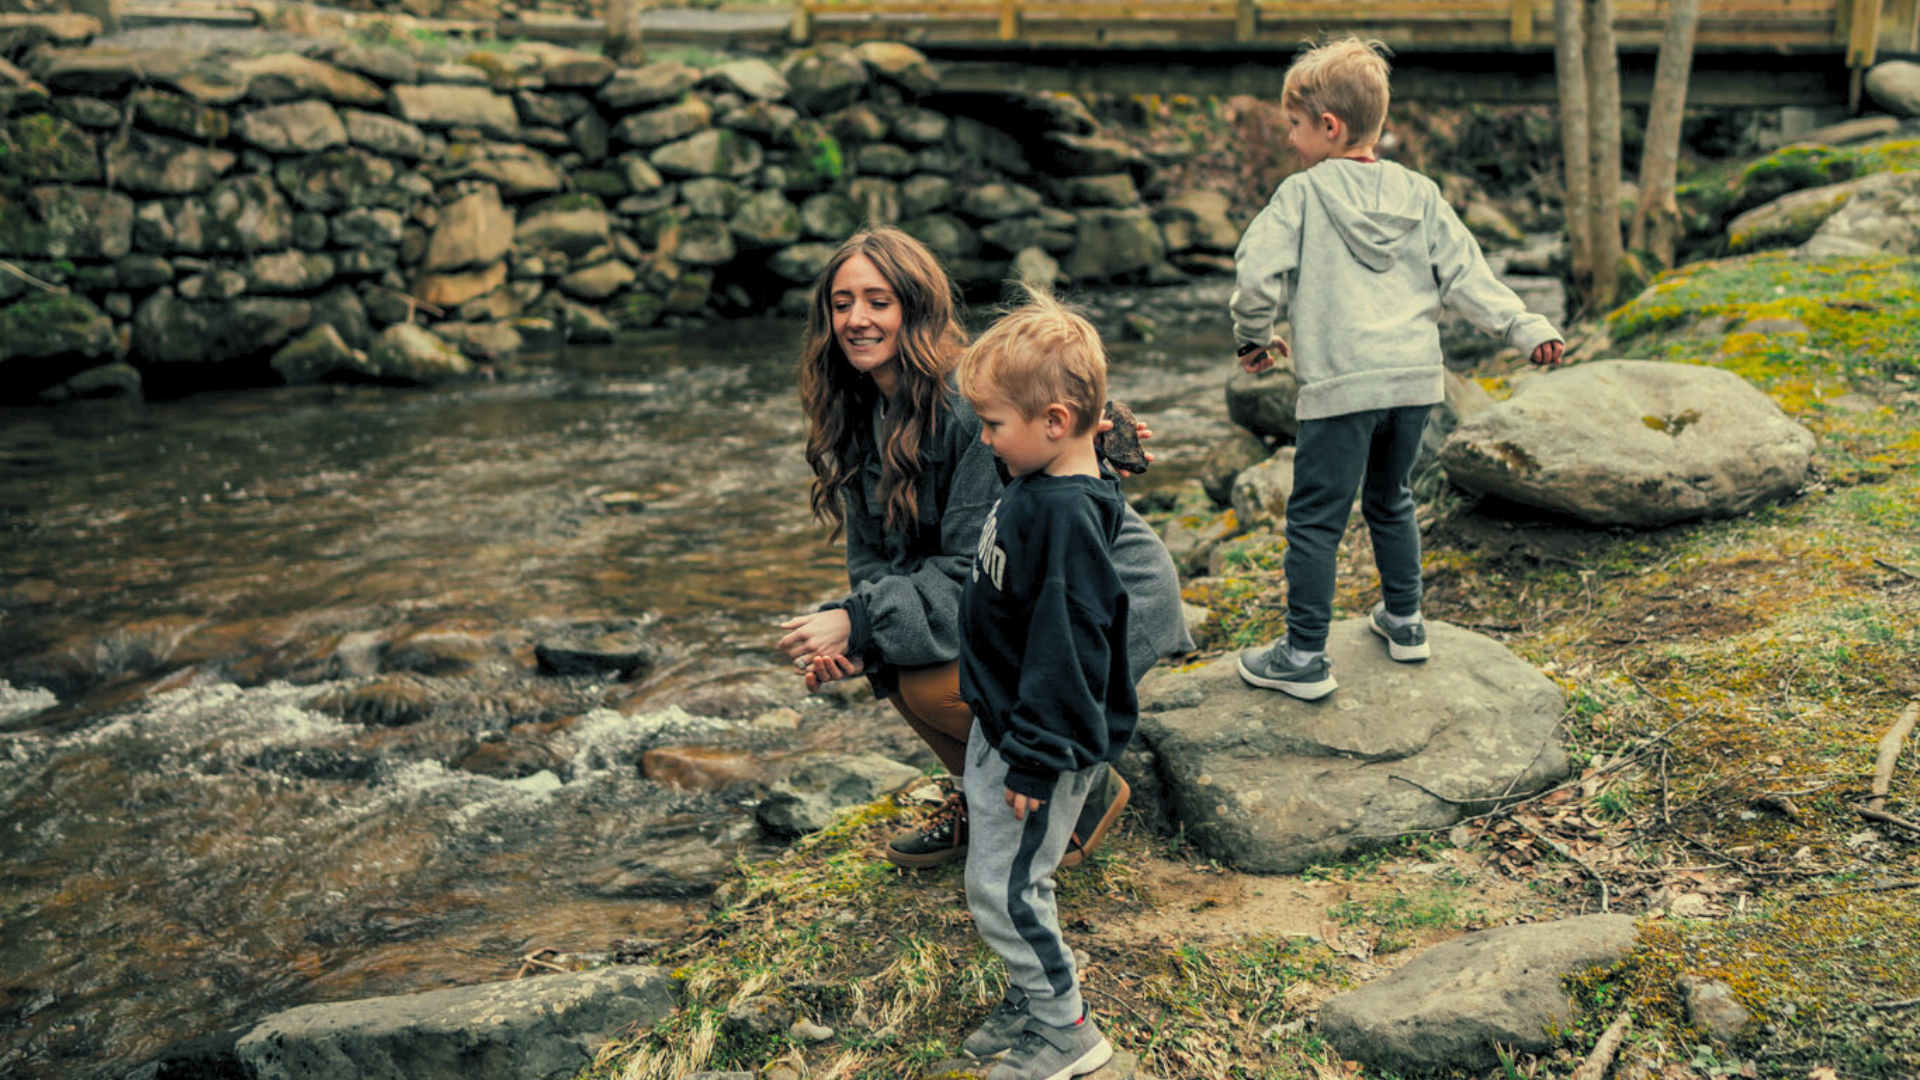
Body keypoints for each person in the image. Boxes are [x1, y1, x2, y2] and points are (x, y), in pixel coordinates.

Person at [777, 227, 1193, 868]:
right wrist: (856, 634)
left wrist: (860, 621)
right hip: (1012, 598)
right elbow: (878, 563)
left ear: (916, 308)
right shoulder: (857, 409)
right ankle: (985, 797)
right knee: (892, 657)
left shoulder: (967, 405)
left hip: (1098, 600)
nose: (856, 319)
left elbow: (977, 565)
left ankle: (1073, 788)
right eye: (841, 303)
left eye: (878, 301)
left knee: (928, 680)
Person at [1228, 38, 1564, 700]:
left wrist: (1253, 334)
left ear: (1328, 127)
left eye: (1295, 126)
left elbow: (1255, 272)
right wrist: (1527, 327)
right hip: (1413, 385)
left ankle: (1302, 656)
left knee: (1317, 521)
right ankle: (1406, 622)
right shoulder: (1421, 193)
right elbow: (1467, 275)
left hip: (1341, 387)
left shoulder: (1300, 195)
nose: (1292, 140)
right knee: (1392, 498)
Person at [951, 289, 1126, 1079]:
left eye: (994, 425)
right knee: (1003, 881)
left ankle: (1067, 1030)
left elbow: (1069, 644)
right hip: (1010, 722)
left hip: (1038, 739)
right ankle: (1033, 994)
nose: (985, 439)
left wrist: (1036, 755)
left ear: (1055, 422)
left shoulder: (1065, 514)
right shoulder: (1048, 477)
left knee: (1008, 887)